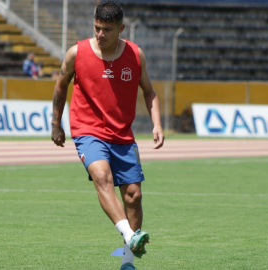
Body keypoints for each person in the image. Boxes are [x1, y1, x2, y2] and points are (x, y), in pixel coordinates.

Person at [51, 1, 164, 269]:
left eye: (107, 30)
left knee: (133, 196)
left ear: (121, 29)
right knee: (102, 176)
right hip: (87, 131)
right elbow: (59, 88)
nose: (100, 35)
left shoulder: (136, 55)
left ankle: (127, 260)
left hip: (122, 135)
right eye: (97, 28)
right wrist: (56, 124)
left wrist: (157, 124)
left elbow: (149, 92)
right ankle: (130, 236)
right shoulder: (76, 53)